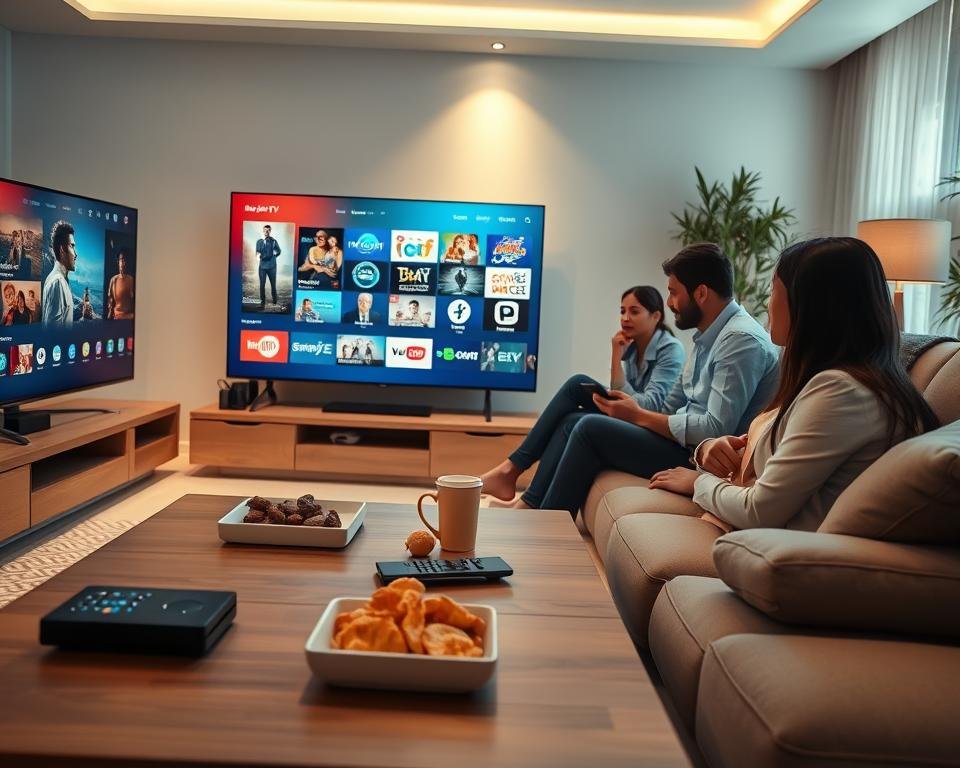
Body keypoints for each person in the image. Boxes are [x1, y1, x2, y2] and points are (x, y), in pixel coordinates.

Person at [648, 237, 938, 532]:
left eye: (773, 289)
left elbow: (758, 511)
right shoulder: (833, 380)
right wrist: (709, 451)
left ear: (810, 304)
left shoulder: (841, 392)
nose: (766, 302)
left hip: (786, 551)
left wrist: (700, 483)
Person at [482, 244, 779, 514]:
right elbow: (673, 404)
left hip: (699, 456)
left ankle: (541, 524)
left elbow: (716, 428)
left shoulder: (740, 340)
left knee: (588, 427)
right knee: (575, 407)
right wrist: (635, 413)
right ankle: (524, 497)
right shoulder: (708, 336)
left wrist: (638, 416)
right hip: (684, 443)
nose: (670, 303)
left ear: (700, 293)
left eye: (674, 292)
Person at [482, 284, 687, 507]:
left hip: (654, 427)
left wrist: (616, 359)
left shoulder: (671, 349)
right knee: (571, 420)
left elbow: (650, 407)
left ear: (656, 316)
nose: (625, 318)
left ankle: (510, 470)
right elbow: (624, 397)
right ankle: (526, 503)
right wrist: (617, 355)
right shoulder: (631, 346)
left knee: (576, 384)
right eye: (622, 311)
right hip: (637, 420)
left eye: (634, 311)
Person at [42, 220, 77, 326]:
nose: (76, 254)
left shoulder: (57, 280)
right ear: (62, 249)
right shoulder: (58, 283)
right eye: (72, 246)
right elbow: (53, 334)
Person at [255, 224, 280, 308]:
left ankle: (275, 301)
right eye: (265, 230)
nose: (266, 231)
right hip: (262, 267)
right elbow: (258, 253)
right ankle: (262, 304)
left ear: (270, 231)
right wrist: (259, 257)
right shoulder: (259, 241)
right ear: (263, 230)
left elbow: (279, 251)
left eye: (268, 230)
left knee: (273, 285)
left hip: (272, 266)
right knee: (262, 285)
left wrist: (274, 254)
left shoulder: (273, 241)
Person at [107, 249, 135, 319]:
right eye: (121, 260)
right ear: (118, 262)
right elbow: (110, 302)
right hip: (116, 318)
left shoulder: (132, 280)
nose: (123, 263)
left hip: (130, 318)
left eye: (125, 260)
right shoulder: (113, 280)